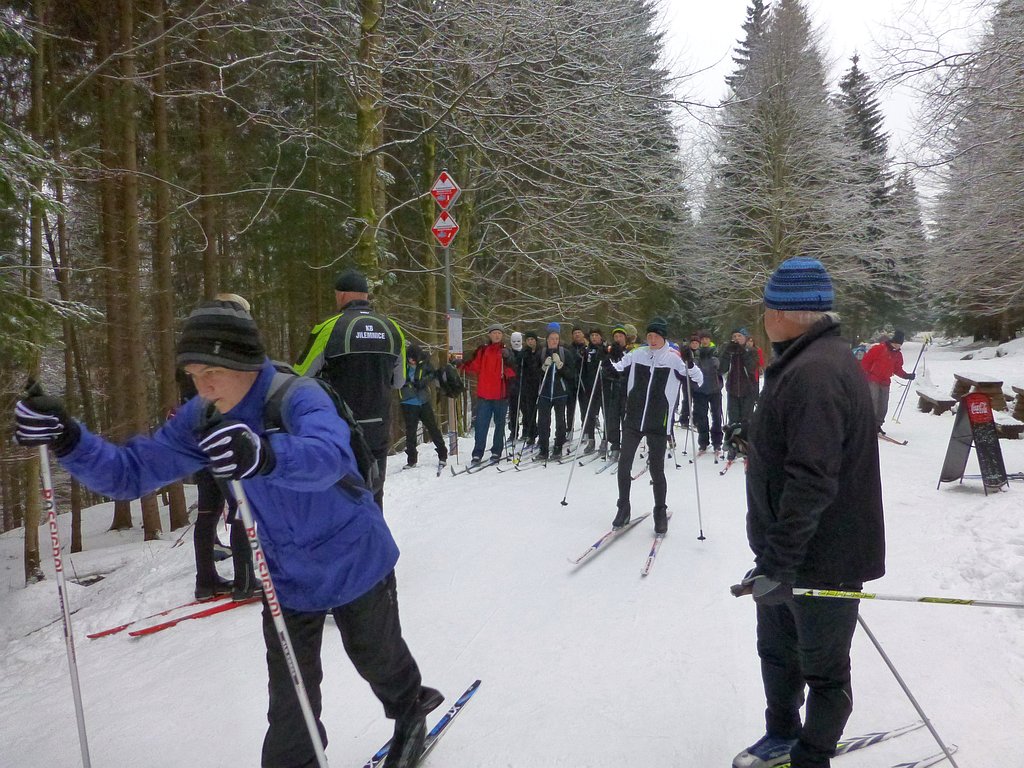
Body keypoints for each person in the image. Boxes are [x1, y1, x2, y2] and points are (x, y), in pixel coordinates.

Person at [14, 298, 441, 768]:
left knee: (376, 656)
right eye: (193, 374)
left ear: (244, 362)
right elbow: (129, 474)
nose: (202, 385)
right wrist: (69, 439)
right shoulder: (204, 419)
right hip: (286, 573)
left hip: (353, 556)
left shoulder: (298, 396)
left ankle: (410, 711)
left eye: (211, 371)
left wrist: (265, 454)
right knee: (290, 702)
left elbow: (328, 457)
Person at [731, 257, 884, 768]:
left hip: (823, 557)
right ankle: (781, 734)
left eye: (765, 308)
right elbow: (798, 447)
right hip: (788, 553)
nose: (762, 318)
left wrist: (779, 564)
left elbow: (812, 478)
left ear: (782, 313)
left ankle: (812, 757)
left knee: (823, 670)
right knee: (778, 652)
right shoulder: (804, 361)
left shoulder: (816, 370)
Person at [294, 268, 405, 511]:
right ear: (365, 295)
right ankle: (375, 534)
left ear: (342, 295)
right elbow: (399, 381)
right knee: (375, 494)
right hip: (378, 426)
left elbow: (299, 376)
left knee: (341, 498)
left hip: (339, 428)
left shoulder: (328, 328)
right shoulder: (393, 329)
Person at [610, 318, 702, 535]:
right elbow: (616, 368)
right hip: (633, 419)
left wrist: (689, 363)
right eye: (649, 336)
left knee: (657, 469)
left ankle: (660, 511)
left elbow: (698, 379)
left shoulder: (673, 358)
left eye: (656, 336)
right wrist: (610, 358)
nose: (652, 340)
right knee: (624, 465)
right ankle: (623, 507)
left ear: (663, 337)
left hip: (658, 422)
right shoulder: (637, 354)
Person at [460, 323, 516, 464]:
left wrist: (508, 360)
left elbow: (513, 371)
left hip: (500, 395)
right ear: (489, 335)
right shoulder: (483, 350)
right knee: (481, 425)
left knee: (499, 426)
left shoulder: (506, 351)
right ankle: (477, 453)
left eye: (499, 333)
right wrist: (460, 364)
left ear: (502, 335)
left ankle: (496, 451)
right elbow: (474, 365)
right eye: (494, 333)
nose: (497, 335)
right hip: (484, 394)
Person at [399, 343, 448, 470]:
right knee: (411, 432)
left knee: (433, 428)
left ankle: (442, 454)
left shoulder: (424, 363)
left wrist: (423, 382)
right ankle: (411, 459)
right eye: (410, 358)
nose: (411, 361)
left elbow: (433, 374)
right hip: (408, 401)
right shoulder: (402, 365)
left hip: (423, 400)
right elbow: (395, 379)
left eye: (414, 359)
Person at [859, 330, 915, 435]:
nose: (897, 347)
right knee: (873, 402)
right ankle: (869, 425)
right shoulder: (878, 349)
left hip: (885, 381)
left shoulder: (898, 354)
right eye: (896, 344)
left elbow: (897, 369)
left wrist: (906, 375)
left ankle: (877, 425)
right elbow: (865, 362)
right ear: (892, 341)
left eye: (899, 345)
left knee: (883, 405)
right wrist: (863, 376)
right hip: (873, 379)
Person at [535, 323, 576, 461]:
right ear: (547, 339)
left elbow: (571, 374)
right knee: (543, 422)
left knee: (560, 422)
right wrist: (543, 367)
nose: (554, 341)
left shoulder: (565, 353)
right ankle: (543, 449)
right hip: (545, 393)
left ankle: (558, 447)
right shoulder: (541, 353)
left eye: (556, 338)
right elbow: (534, 374)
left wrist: (560, 366)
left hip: (560, 393)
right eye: (552, 338)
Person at [720, 327, 759, 462]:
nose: (736, 339)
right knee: (733, 421)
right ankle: (733, 447)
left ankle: (747, 447)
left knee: (746, 421)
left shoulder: (751, 351)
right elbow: (722, 368)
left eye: (739, 336)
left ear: (745, 338)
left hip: (748, 390)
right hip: (732, 390)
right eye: (734, 336)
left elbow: (752, 367)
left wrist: (743, 352)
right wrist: (727, 353)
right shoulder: (730, 352)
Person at [692, 330, 724, 455]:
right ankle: (703, 442)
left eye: (707, 338)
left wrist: (718, 363)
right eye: (703, 339)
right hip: (700, 390)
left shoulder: (716, 352)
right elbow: (692, 368)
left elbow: (722, 368)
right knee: (702, 417)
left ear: (710, 340)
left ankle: (717, 442)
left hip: (714, 389)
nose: (705, 341)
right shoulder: (696, 353)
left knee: (716, 416)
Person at [599, 325, 629, 461]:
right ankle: (615, 446)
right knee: (612, 419)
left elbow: (628, 370)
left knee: (626, 420)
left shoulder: (630, 352)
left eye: (620, 336)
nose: (618, 339)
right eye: (615, 336)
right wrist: (606, 358)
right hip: (612, 390)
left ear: (625, 338)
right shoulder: (610, 353)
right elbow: (605, 371)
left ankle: (627, 447)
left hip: (627, 391)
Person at [580, 328, 605, 454]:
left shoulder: (605, 349)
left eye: (596, 335)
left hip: (603, 387)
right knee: (590, 415)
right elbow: (583, 369)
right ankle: (591, 440)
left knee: (606, 415)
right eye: (592, 335)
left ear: (601, 337)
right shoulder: (587, 350)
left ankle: (605, 440)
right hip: (590, 388)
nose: (594, 337)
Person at [518, 331, 543, 447]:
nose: (530, 342)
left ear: (536, 340)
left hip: (540, 384)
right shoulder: (524, 352)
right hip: (528, 386)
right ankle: (531, 434)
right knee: (529, 412)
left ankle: (542, 435)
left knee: (542, 412)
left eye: (532, 339)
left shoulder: (541, 351)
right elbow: (519, 367)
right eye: (528, 340)